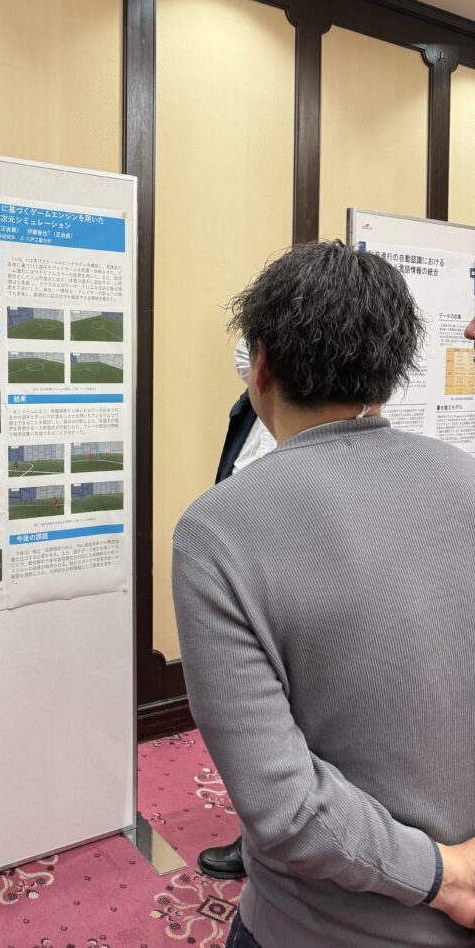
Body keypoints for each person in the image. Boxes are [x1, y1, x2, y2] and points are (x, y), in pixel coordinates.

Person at [173, 241, 475, 947]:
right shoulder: (466, 479)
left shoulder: (215, 529)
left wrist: (447, 878)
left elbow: (282, 804)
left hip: (317, 927)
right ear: (393, 368)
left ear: (261, 365)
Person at [197, 341, 276, 882]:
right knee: (252, 714)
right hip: (244, 561)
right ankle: (259, 835)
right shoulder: (248, 405)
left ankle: (271, 843)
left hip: (287, 568)